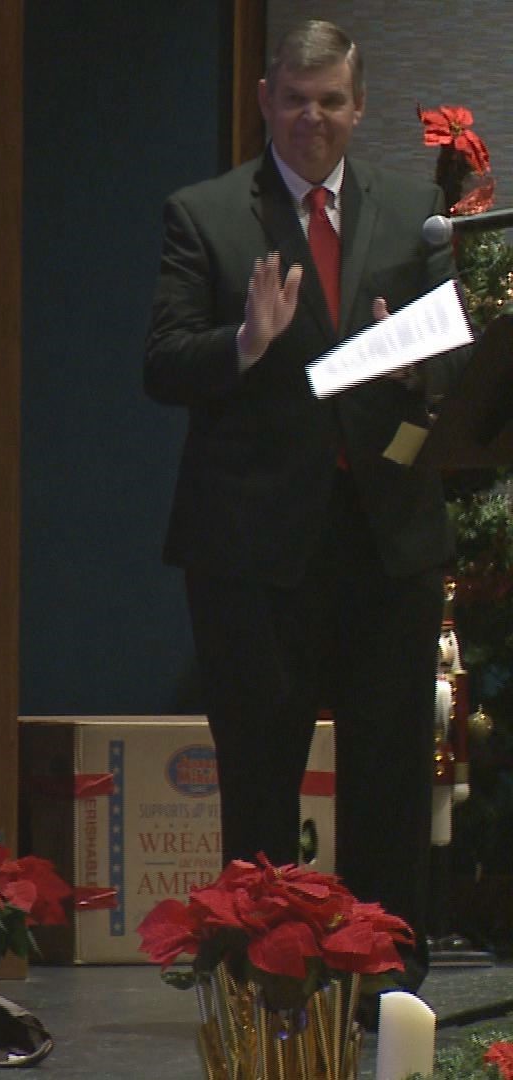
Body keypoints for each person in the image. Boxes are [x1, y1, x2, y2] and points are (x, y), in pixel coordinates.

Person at [143, 20, 460, 985]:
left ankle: (385, 981)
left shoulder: (417, 213)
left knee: (390, 775)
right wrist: (242, 343)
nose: (312, 117)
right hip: (253, 554)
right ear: (265, 100)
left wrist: (419, 365)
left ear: (358, 108)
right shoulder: (205, 214)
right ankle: (268, 981)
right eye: (294, 98)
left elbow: (451, 360)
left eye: (331, 101)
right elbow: (162, 364)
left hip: (386, 540)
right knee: (261, 778)